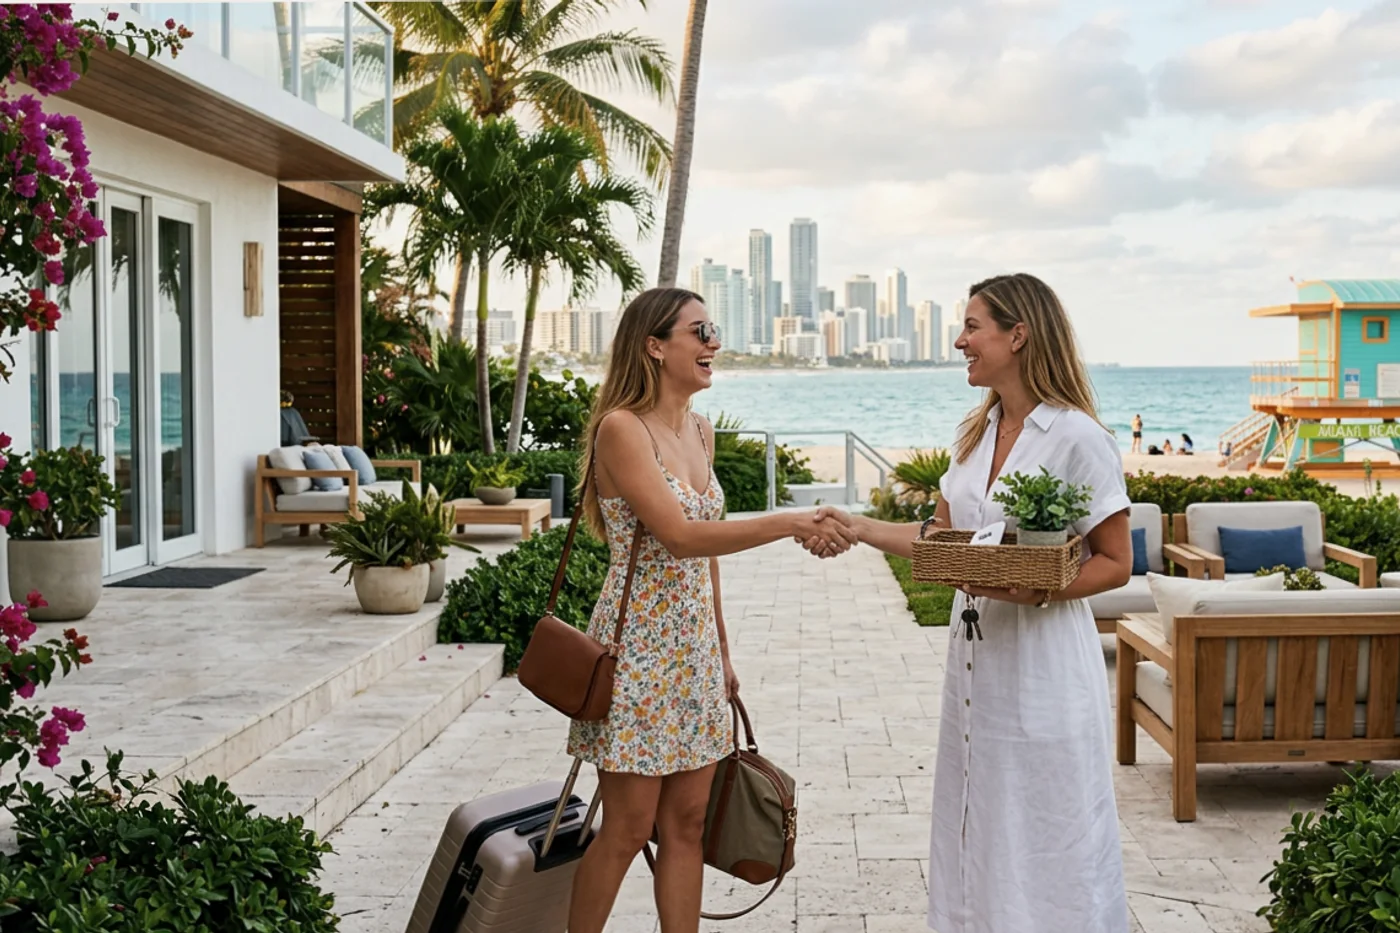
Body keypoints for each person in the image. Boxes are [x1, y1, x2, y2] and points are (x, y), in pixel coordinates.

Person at [804, 273, 1132, 933]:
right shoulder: (977, 435)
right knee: (978, 814)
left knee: (1048, 815)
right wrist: (861, 527)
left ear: (1018, 333)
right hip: (975, 664)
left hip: (1044, 665)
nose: (960, 340)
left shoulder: (1077, 437)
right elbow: (941, 539)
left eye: (973, 326)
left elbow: (1117, 561)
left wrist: (1036, 583)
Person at [565, 287, 856, 933]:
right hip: (637, 649)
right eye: (700, 331)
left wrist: (722, 650)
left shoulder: (700, 429)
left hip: (691, 649)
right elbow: (682, 536)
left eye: (712, 329)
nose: (713, 342)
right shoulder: (622, 428)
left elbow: (706, 561)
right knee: (628, 826)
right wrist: (786, 522)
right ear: (654, 345)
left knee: (688, 823)